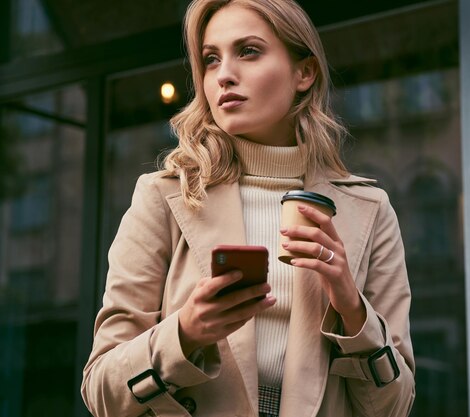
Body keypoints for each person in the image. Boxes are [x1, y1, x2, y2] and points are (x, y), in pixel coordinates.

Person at [81, 0, 415, 416]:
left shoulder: (368, 210)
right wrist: (185, 333)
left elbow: (395, 406)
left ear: (304, 73)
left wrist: (351, 308)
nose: (224, 75)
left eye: (249, 51)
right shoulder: (164, 197)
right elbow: (101, 393)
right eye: (210, 59)